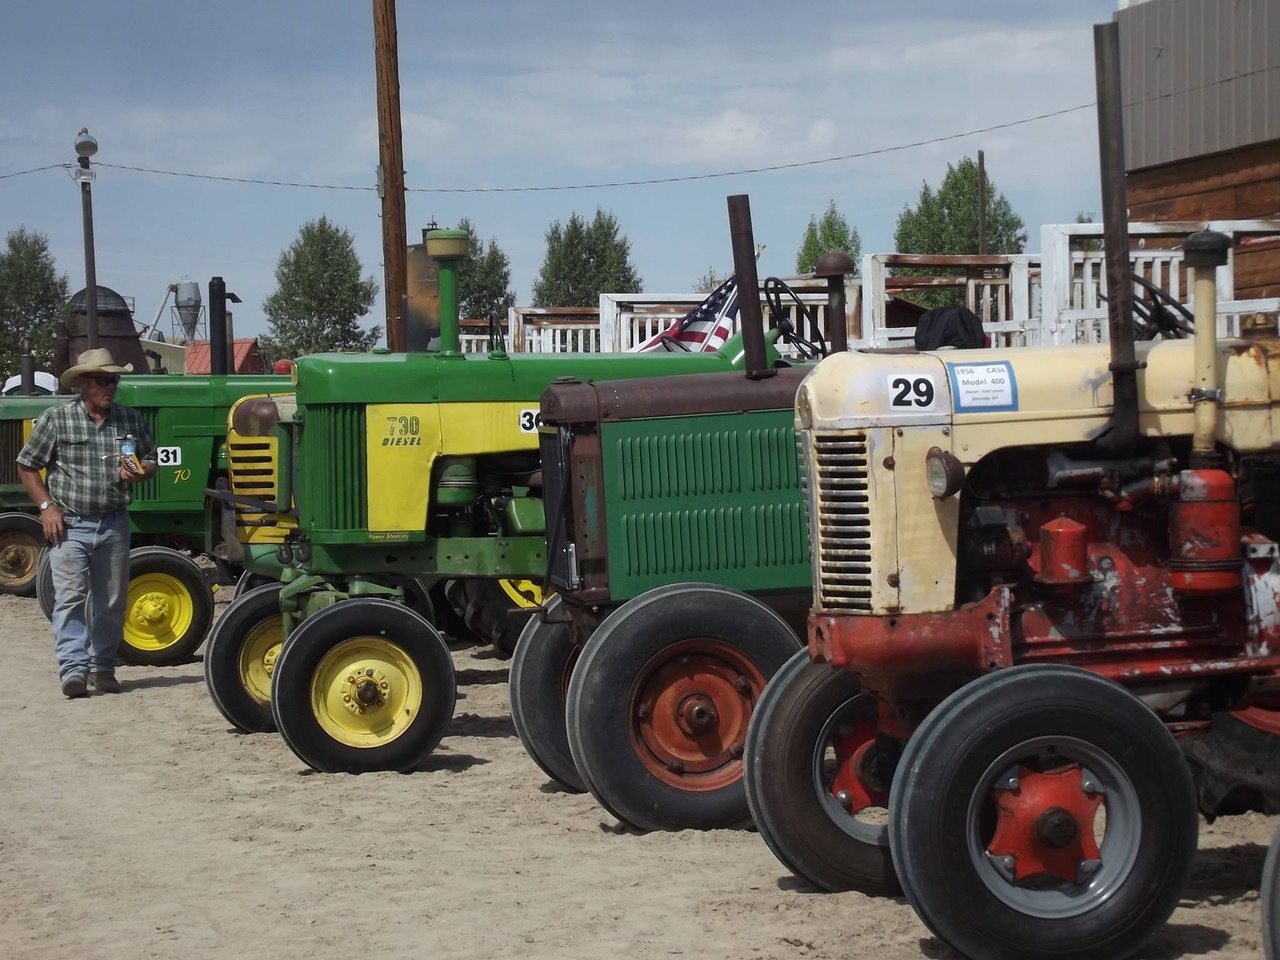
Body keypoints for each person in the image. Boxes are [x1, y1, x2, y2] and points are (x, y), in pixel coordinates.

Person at [16, 347, 157, 698]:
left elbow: (152, 458)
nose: (110, 387)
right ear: (83, 383)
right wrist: (47, 507)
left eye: (114, 380)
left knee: (110, 602)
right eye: (102, 380)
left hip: (113, 523)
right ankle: (73, 670)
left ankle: (103, 667)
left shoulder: (130, 420)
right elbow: (27, 465)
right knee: (71, 598)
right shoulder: (57, 419)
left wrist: (140, 472)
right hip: (69, 525)